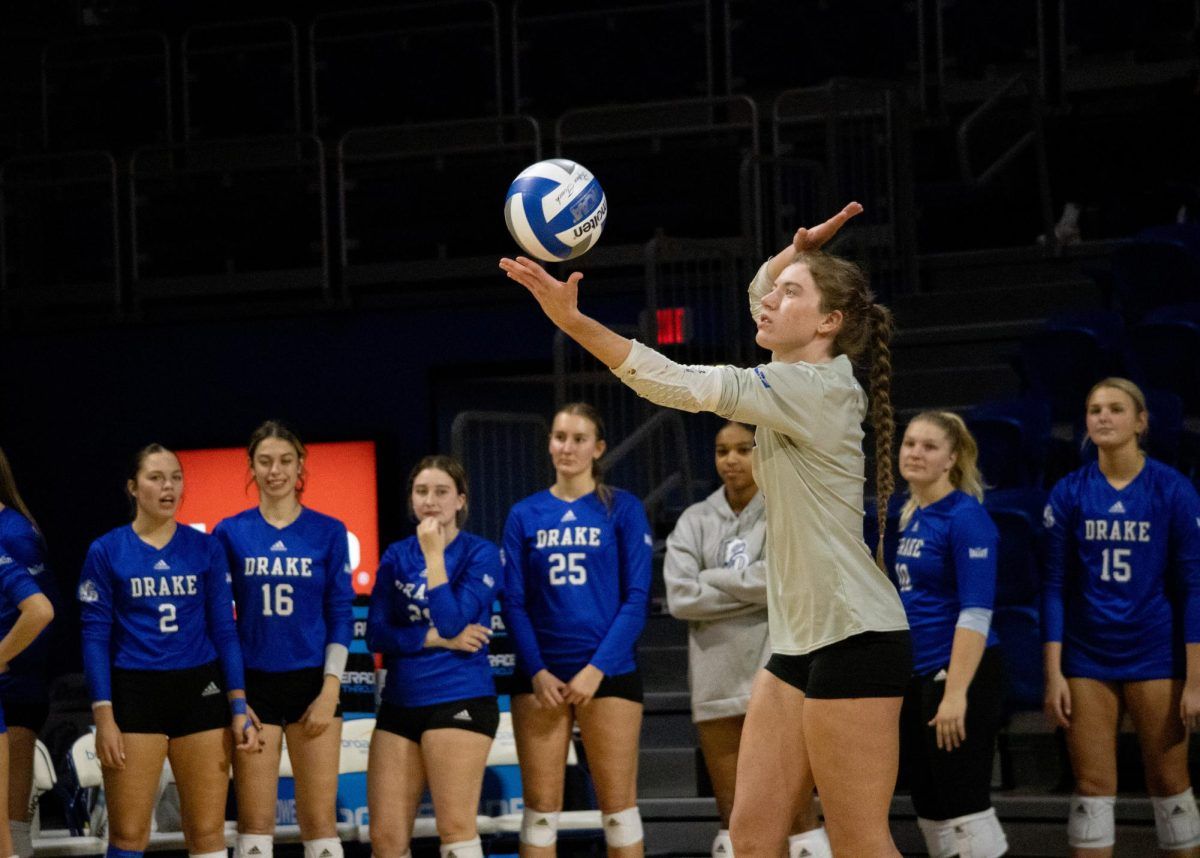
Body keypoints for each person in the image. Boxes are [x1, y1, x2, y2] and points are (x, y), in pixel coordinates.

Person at [501, 201, 912, 857]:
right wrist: (794, 255)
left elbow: (675, 382)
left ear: (830, 323)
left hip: (857, 634)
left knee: (861, 839)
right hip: (800, 640)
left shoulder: (813, 388)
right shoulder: (799, 367)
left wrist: (573, 322)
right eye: (775, 290)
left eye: (792, 293)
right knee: (750, 838)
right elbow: (761, 293)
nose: (771, 300)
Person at [1042, 378, 1200, 858]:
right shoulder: (1069, 491)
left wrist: (1195, 680)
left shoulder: (1173, 489)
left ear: (1141, 421)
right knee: (1092, 786)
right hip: (1088, 656)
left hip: (1155, 651)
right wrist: (1054, 674)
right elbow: (1053, 587)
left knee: (1170, 781)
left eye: (1115, 408)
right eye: (1094, 410)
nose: (1103, 417)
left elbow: (1194, 587)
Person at [79, 444, 258, 858]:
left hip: (199, 691)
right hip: (134, 692)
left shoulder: (206, 547)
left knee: (208, 832)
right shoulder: (106, 551)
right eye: (156, 478)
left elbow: (224, 630)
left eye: (176, 477)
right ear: (132, 487)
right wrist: (103, 715)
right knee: (126, 833)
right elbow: (94, 637)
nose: (169, 487)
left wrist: (237, 702)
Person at [663, 421, 830, 858]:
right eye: (722, 451)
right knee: (735, 815)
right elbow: (680, 598)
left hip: (774, 676)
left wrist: (712, 579)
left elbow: (782, 582)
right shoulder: (693, 520)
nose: (731, 460)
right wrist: (752, 590)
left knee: (797, 814)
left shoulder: (785, 512)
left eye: (742, 449)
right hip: (714, 681)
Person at [501, 403, 652, 858]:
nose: (567, 447)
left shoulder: (622, 508)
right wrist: (537, 671)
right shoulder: (524, 514)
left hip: (608, 675)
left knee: (618, 809)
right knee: (541, 810)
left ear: (598, 448)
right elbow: (513, 602)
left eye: (579, 438)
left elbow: (637, 597)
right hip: (540, 680)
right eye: (560, 437)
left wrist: (596, 669)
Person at [212, 422, 354, 858]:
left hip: (314, 684)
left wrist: (331, 688)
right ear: (251, 467)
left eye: (285, 461)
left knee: (320, 823)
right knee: (255, 825)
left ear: (301, 466)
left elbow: (340, 615)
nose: (275, 470)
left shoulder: (329, 531)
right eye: (265, 461)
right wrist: (236, 695)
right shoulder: (229, 532)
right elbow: (220, 622)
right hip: (255, 686)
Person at [366, 455, 501, 858]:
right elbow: (376, 633)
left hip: (459, 696)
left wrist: (434, 557)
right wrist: (436, 639)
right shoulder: (394, 556)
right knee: (386, 841)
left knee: (455, 831)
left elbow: (451, 618)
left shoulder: (481, 554)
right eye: (421, 491)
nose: (430, 501)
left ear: (460, 500)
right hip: (401, 702)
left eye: (441, 492)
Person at [893, 413, 1007, 857]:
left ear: (951, 459)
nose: (916, 453)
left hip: (959, 675)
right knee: (929, 801)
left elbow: (976, 612)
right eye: (909, 443)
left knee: (964, 804)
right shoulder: (911, 516)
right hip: (920, 675)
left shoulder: (966, 517)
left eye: (929, 446)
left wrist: (956, 693)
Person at [0, 448, 59, 858]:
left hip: (16, 690)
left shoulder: (14, 532)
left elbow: (41, 613)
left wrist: (4, 657)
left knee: (8, 820)